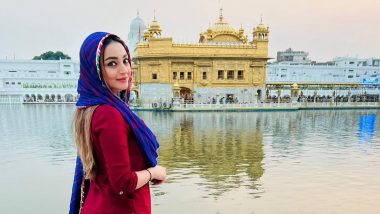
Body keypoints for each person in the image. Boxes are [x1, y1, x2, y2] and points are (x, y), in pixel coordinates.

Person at [69, 32, 166, 214]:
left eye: (125, 60)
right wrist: (154, 173)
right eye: (112, 63)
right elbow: (122, 183)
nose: (124, 70)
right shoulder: (109, 114)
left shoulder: (92, 109)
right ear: (96, 70)